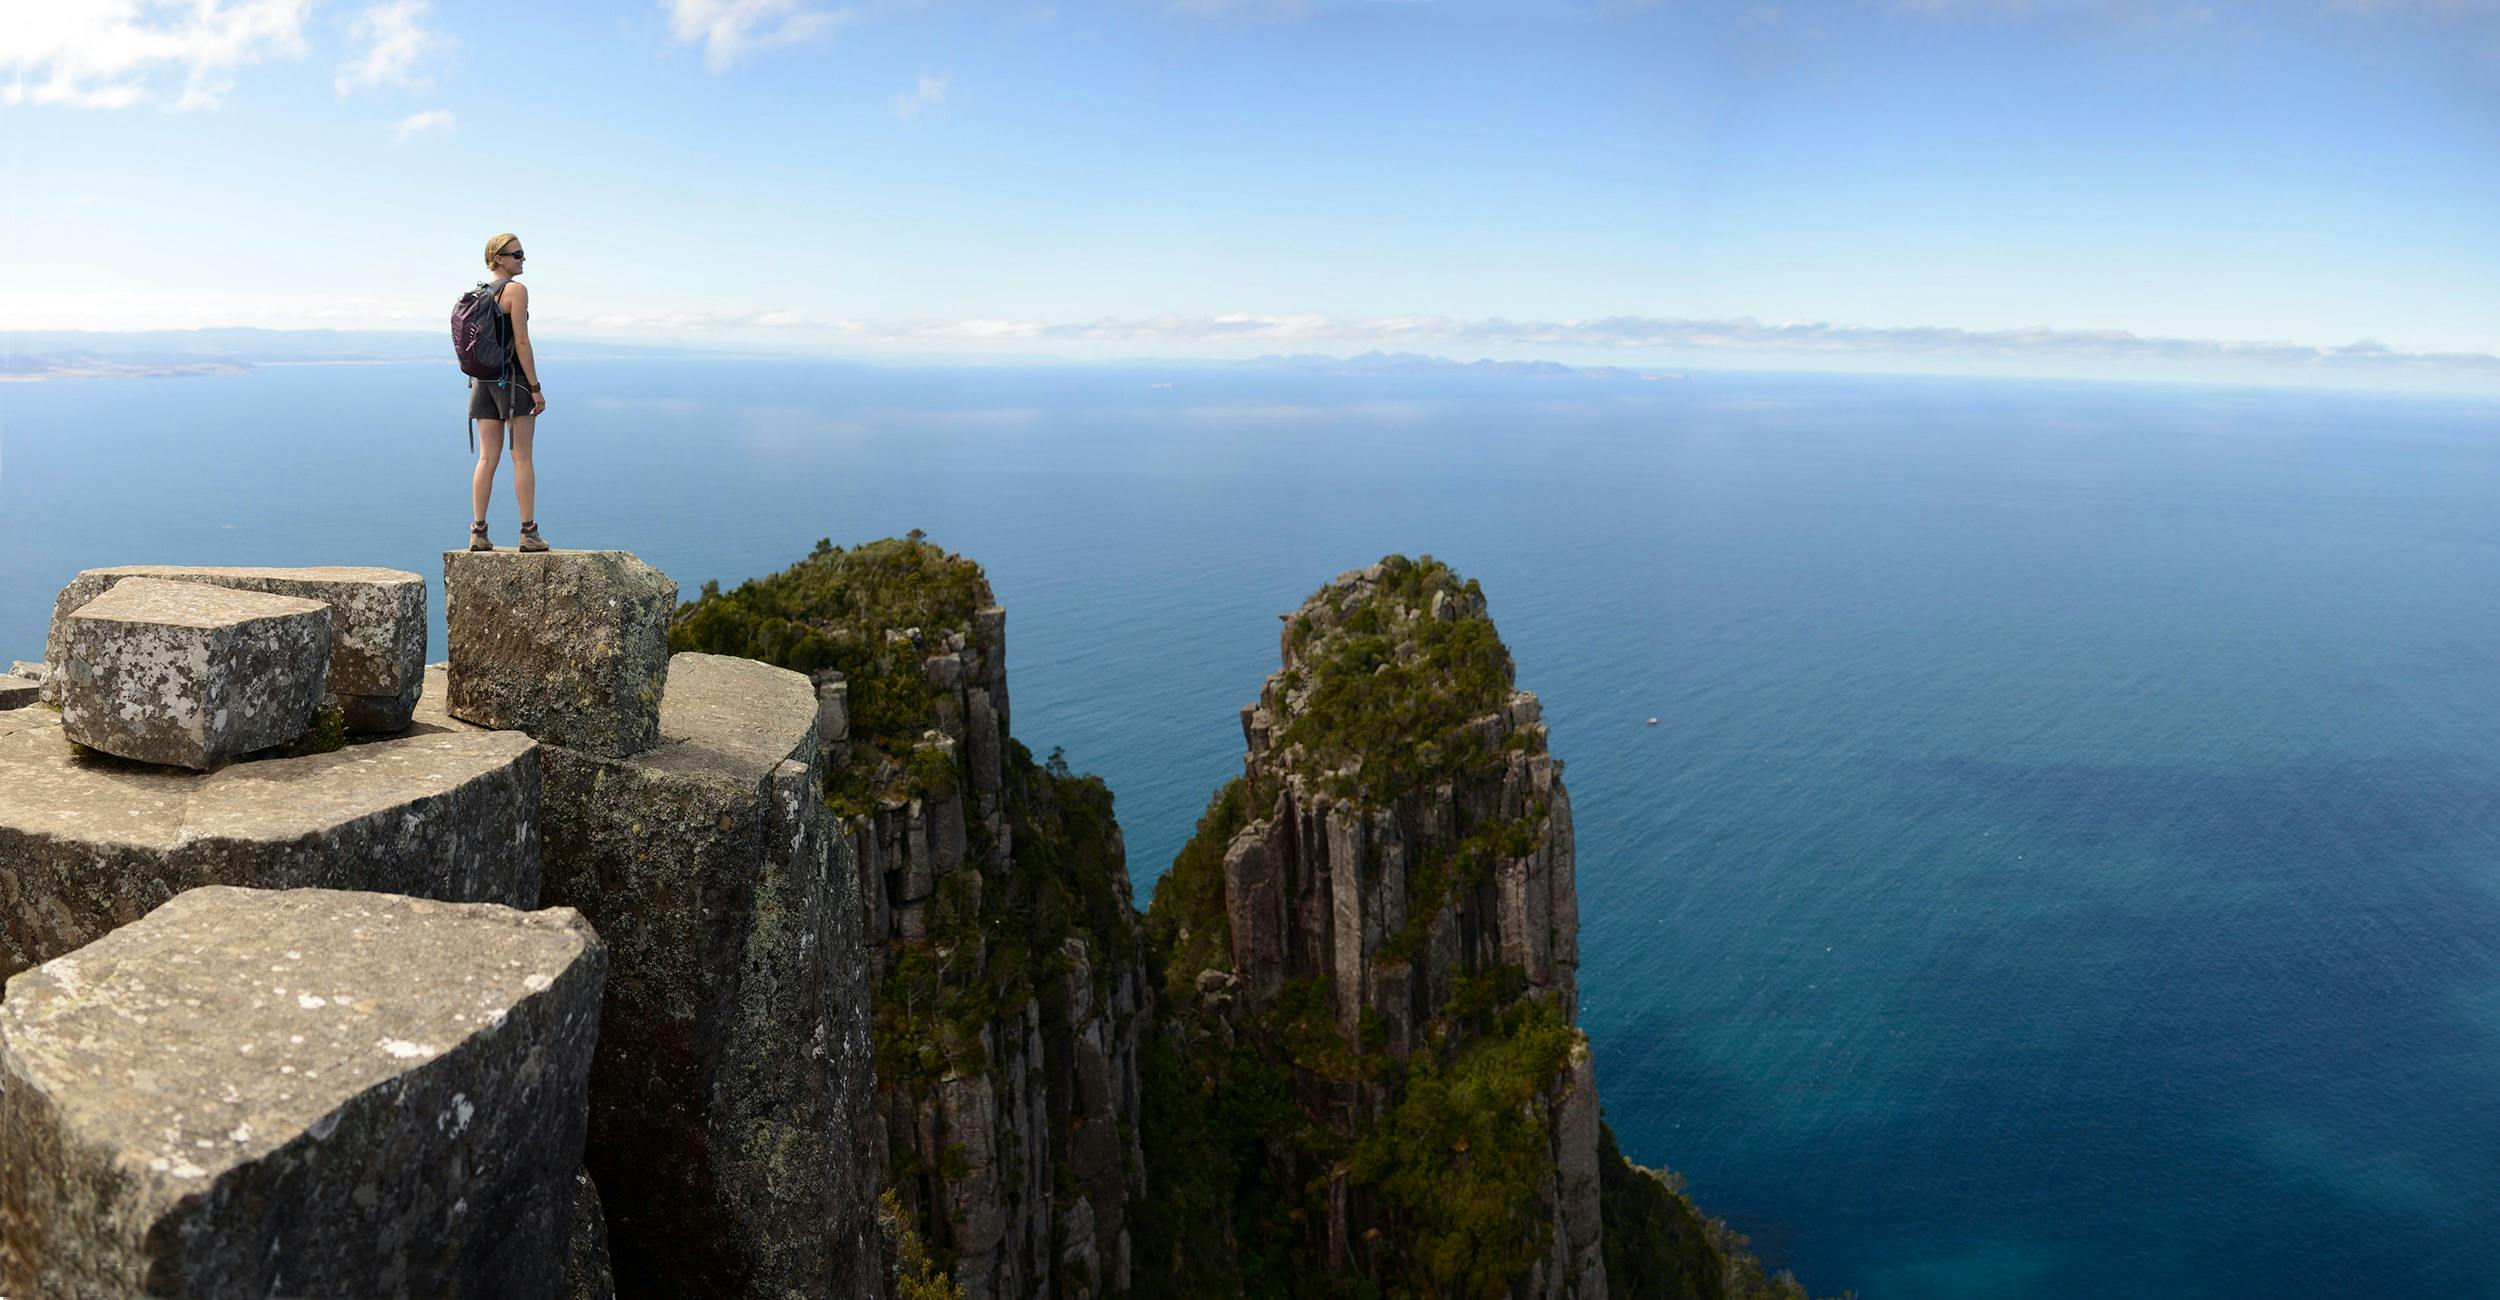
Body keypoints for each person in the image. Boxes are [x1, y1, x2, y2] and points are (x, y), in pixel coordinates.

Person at [467, 232, 548, 551]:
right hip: (512, 382)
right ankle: (528, 532)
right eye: (517, 254)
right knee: (522, 456)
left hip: (481, 383)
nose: (523, 259)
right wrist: (535, 388)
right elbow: (522, 343)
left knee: (487, 458)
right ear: (499, 258)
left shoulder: (476, 293)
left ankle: (478, 532)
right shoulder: (516, 291)